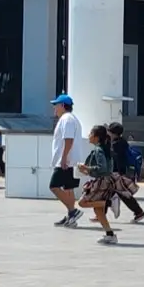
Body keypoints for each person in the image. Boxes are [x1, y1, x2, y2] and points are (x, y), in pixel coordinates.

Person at [77, 125, 119, 245]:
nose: (89, 136)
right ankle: (110, 234)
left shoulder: (99, 150)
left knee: (82, 202)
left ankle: (110, 203)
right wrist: (87, 170)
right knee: (98, 210)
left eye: (91, 133)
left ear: (96, 137)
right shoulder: (104, 149)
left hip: (101, 181)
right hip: (105, 180)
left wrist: (86, 168)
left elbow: (102, 168)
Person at [48, 94, 84, 227]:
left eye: (56, 105)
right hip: (71, 160)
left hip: (66, 161)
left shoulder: (66, 119)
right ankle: (71, 216)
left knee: (54, 186)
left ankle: (73, 211)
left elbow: (68, 139)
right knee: (69, 188)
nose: (54, 108)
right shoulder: (72, 119)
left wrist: (63, 158)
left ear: (63, 106)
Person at [107, 122, 144, 223]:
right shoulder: (121, 142)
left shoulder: (117, 145)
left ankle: (139, 212)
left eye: (109, 131)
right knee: (114, 193)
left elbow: (118, 160)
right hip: (121, 172)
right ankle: (100, 214)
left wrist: (118, 174)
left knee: (122, 194)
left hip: (119, 172)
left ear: (113, 133)